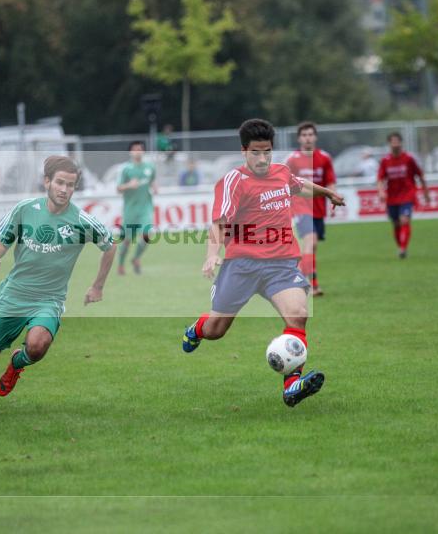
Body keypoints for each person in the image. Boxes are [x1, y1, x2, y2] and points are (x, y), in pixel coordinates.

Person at [181, 119, 344, 408]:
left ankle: (292, 386)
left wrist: (327, 192)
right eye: (255, 152)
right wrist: (211, 254)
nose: (262, 158)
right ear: (244, 151)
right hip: (241, 265)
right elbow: (219, 222)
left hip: (281, 264)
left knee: (298, 315)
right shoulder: (234, 181)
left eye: (267, 151)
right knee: (217, 330)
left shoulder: (282, 172)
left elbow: (299, 186)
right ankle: (198, 328)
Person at [0, 156, 116, 419]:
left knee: (37, 346)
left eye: (70, 185)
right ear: (47, 182)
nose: (64, 189)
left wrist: (97, 287)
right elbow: (2, 241)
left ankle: (17, 363)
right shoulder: (24, 209)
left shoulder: (82, 221)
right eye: (59, 182)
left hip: (49, 299)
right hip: (14, 295)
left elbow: (110, 245)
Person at [285, 121, 336, 296]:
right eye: (304, 135)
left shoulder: (324, 158)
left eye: (310, 134)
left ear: (315, 137)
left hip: (318, 208)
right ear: (299, 139)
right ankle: (305, 283)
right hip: (300, 207)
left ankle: (308, 282)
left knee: (312, 247)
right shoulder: (292, 159)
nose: (307, 138)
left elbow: (330, 182)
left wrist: (333, 198)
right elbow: (286, 184)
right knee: (311, 241)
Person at [377, 132, 430, 259]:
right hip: (392, 197)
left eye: (397, 141)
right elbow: (380, 178)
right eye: (392, 142)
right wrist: (381, 191)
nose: (395, 144)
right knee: (396, 224)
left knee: (404, 220)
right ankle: (401, 246)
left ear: (401, 143)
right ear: (389, 144)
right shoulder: (385, 160)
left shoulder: (409, 159)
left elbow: (420, 175)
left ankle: (403, 249)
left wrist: (425, 192)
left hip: (407, 194)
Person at [116, 141, 157, 276]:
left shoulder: (150, 167)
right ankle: (121, 264)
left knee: (147, 235)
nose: (137, 152)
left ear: (143, 151)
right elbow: (118, 188)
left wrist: (154, 187)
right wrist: (129, 185)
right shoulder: (125, 169)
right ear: (130, 152)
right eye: (135, 149)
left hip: (145, 208)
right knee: (127, 240)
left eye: (140, 149)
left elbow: (152, 180)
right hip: (130, 210)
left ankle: (136, 258)